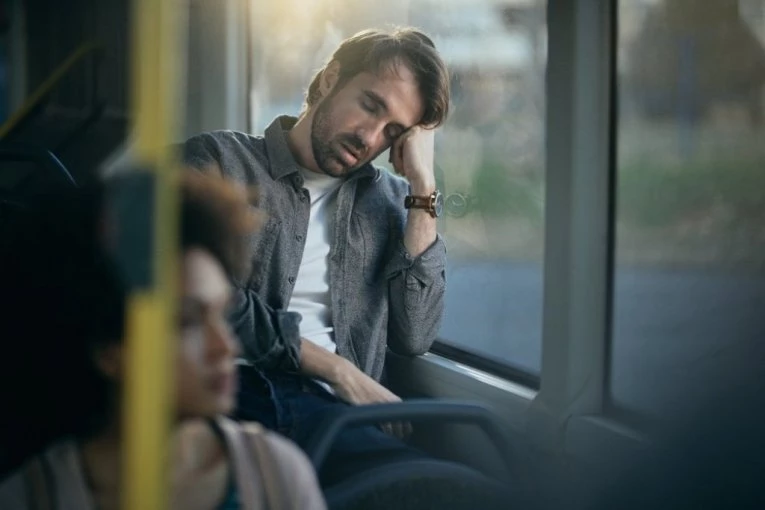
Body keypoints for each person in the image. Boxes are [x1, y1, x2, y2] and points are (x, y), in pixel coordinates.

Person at [182, 27, 450, 483]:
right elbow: (208, 300)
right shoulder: (217, 162)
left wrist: (423, 190)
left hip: (338, 415)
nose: (370, 138)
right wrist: (338, 370)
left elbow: (415, 336)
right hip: (235, 393)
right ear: (329, 79)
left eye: (393, 132)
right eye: (370, 105)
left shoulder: (393, 202)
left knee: (457, 489)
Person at [0, 172, 326, 510]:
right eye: (186, 322)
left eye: (221, 315)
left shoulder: (276, 474)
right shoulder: (27, 498)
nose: (226, 347)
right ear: (108, 349)